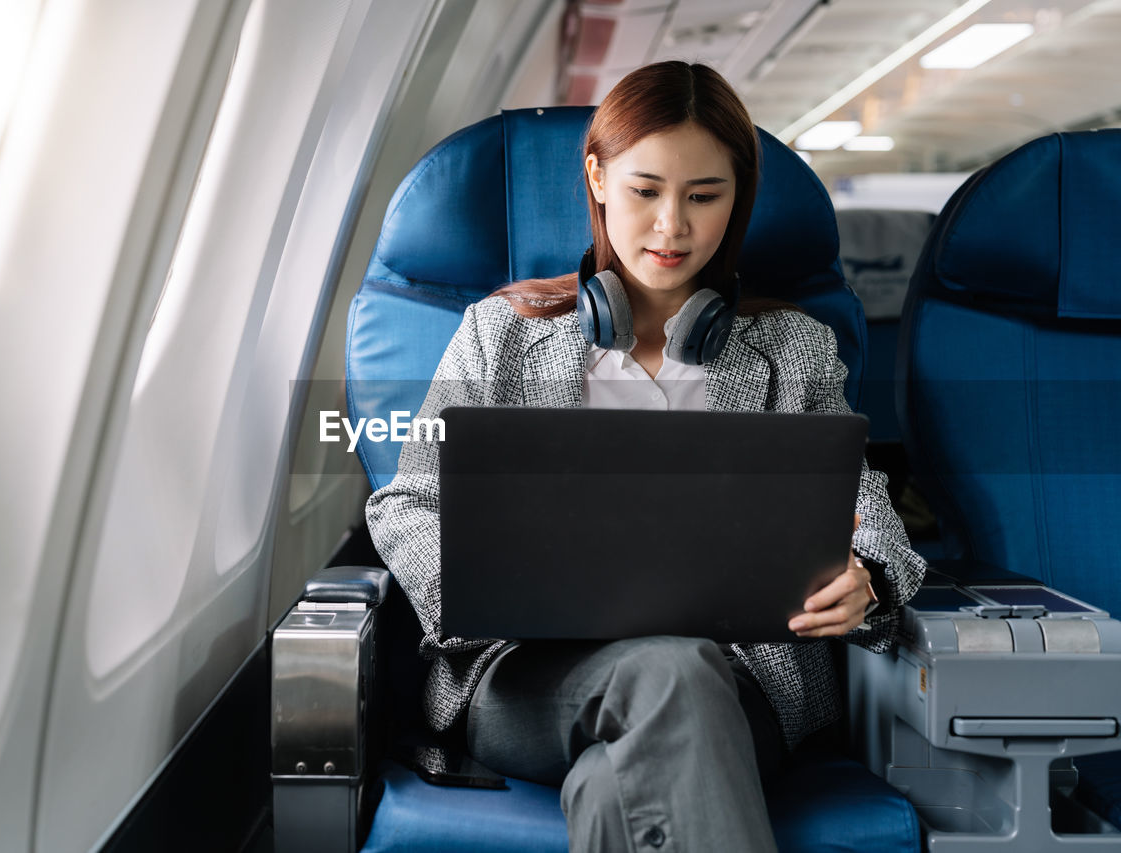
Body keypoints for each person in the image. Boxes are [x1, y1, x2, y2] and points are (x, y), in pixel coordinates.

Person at [365, 60, 926, 853]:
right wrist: (473, 588)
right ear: (597, 178)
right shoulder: (501, 335)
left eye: (704, 196)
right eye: (645, 190)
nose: (672, 227)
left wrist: (865, 575)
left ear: (738, 201)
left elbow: (864, 506)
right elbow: (408, 502)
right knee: (667, 674)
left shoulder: (793, 349)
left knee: (614, 782)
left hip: (740, 682)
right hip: (531, 675)